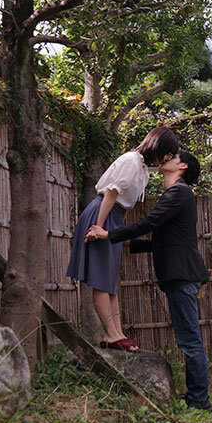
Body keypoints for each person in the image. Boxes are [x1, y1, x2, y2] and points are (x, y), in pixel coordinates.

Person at [86, 150, 212, 411]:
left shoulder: (179, 192)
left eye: (173, 157)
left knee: (189, 340)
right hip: (181, 275)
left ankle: (199, 400)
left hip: (182, 275)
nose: (166, 159)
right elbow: (164, 240)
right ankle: (196, 397)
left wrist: (109, 234)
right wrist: (126, 243)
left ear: (182, 166)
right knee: (188, 338)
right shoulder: (178, 195)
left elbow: (150, 222)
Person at [67, 126, 178, 353]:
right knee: (101, 278)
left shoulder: (142, 169)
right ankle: (111, 334)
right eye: (167, 153)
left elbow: (126, 206)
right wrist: (99, 226)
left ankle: (117, 333)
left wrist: (119, 231)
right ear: (158, 146)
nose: (167, 158)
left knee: (110, 281)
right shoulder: (131, 161)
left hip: (113, 218)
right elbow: (111, 193)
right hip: (102, 213)